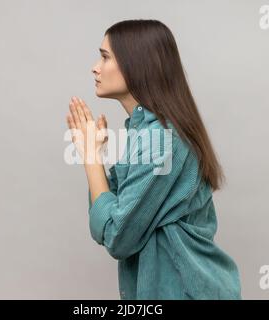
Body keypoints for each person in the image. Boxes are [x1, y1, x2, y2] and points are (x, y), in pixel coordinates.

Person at [66, 19, 241, 300]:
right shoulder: (145, 132)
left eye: (105, 57)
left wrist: (90, 157)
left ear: (136, 64)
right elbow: (107, 219)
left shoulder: (160, 139)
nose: (95, 67)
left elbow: (116, 236)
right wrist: (94, 156)